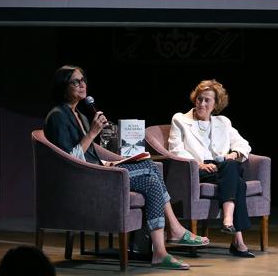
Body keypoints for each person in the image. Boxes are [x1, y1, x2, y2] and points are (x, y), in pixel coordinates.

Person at [44, 65, 208, 271]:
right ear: (63, 86)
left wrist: (110, 160)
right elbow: (68, 159)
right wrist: (92, 134)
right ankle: (172, 232)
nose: (82, 85)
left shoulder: (81, 115)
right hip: (81, 181)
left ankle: (160, 250)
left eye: (83, 80)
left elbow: (90, 153)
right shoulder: (58, 115)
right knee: (150, 169)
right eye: (75, 82)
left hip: (95, 171)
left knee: (150, 173)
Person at [168, 80, 255, 258]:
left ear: (216, 104)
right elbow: (175, 149)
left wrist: (235, 153)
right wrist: (198, 164)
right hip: (195, 169)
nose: (202, 104)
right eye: (199, 99)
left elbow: (243, 144)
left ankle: (231, 226)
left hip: (222, 166)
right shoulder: (180, 119)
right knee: (238, 181)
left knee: (232, 168)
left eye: (207, 100)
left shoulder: (223, 121)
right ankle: (236, 235)